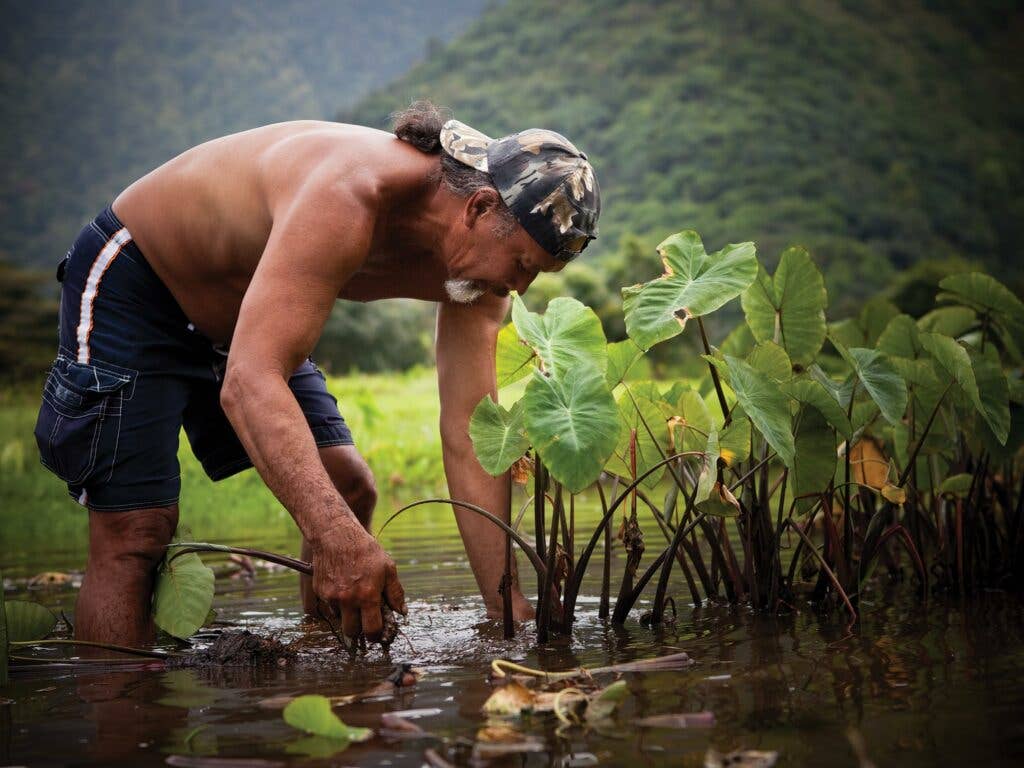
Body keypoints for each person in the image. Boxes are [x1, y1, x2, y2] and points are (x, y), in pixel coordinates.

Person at [33, 101, 601, 646]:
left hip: (241, 319)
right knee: (136, 532)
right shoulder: (351, 193)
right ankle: (119, 724)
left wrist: (508, 604)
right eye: (522, 264)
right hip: (138, 280)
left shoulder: (481, 279)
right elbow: (251, 381)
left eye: (537, 276)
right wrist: (333, 539)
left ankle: (324, 668)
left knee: (348, 489)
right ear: (478, 208)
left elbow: (467, 436)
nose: (519, 289)